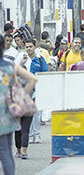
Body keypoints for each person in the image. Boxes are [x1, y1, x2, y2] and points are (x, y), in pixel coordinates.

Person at [1, 34, 37, 172]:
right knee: (5, 152)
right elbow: (32, 79)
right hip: (6, 113)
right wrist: (21, 97)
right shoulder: (10, 66)